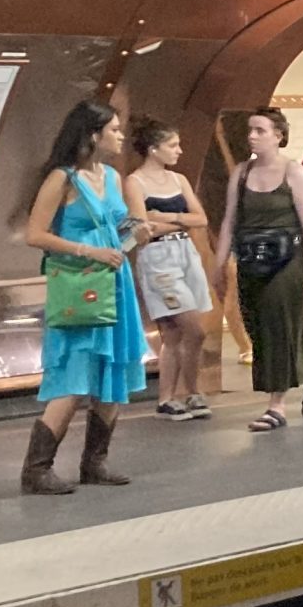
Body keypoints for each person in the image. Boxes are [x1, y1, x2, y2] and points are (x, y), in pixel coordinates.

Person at [20, 101, 151, 494]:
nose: (120, 136)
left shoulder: (112, 177)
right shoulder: (62, 179)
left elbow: (115, 233)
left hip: (115, 283)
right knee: (74, 377)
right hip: (81, 287)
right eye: (113, 129)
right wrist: (88, 252)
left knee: (115, 370)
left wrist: (135, 233)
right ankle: (36, 469)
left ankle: (95, 461)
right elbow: (35, 234)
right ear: (92, 135)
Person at [214, 109, 303, 431]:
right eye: (251, 130)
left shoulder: (295, 173)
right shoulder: (241, 173)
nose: (252, 136)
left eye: (260, 130)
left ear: (278, 135)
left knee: (280, 327)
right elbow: (229, 221)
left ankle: (276, 407)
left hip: (287, 262)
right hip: (251, 259)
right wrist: (219, 262)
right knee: (258, 327)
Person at [123, 118, 214, 421]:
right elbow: (142, 228)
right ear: (153, 149)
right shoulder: (135, 182)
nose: (179, 151)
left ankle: (169, 398)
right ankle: (192, 389)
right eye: (172, 145)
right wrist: (175, 219)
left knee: (173, 333)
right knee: (194, 328)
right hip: (159, 257)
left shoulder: (179, 181)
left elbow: (200, 218)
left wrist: (169, 217)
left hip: (184, 252)